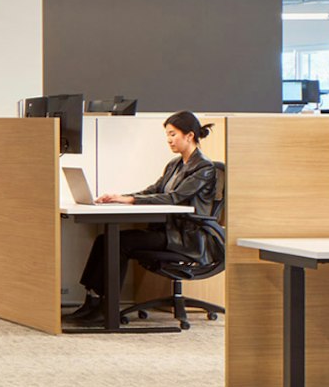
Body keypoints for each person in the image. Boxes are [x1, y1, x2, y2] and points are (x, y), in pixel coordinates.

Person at [68, 111, 222, 327]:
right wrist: (119, 198)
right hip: (166, 231)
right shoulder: (174, 165)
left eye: (173, 134)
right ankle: (91, 302)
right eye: (167, 135)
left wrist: (129, 200)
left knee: (119, 243)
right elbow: (155, 190)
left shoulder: (204, 168)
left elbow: (174, 197)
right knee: (105, 240)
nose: (169, 140)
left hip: (187, 237)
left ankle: (105, 309)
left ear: (189, 135)